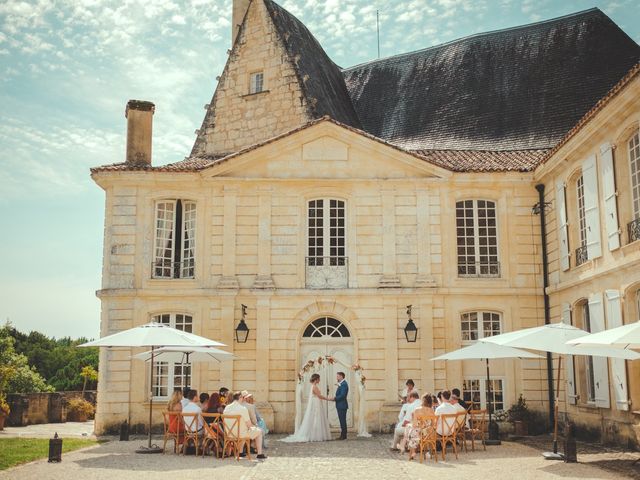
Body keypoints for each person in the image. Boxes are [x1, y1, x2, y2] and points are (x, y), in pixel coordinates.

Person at [281, 373, 332, 443]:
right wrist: (328, 399)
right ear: (316, 379)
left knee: (316, 418)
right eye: (319, 379)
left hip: (316, 402)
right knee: (316, 418)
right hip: (316, 403)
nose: (319, 380)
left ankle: (315, 434)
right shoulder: (314, 387)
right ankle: (315, 435)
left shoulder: (313, 386)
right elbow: (319, 396)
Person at [223, 391, 267, 459]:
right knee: (259, 432)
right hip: (240, 434)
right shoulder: (243, 409)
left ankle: (240, 453)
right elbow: (249, 425)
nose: (244, 399)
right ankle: (259, 454)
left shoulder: (227, 408)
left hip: (229, 434)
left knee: (243, 429)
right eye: (243, 397)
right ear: (240, 398)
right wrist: (256, 427)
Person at [406, 394, 436, 461]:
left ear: (422, 401)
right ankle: (428, 451)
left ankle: (413, 452)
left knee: (410, 430)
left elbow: (414, 425)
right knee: (414, 430)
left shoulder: (417, 410)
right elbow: (433, 424)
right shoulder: (431, 411)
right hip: (428, 434)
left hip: (419, 433)